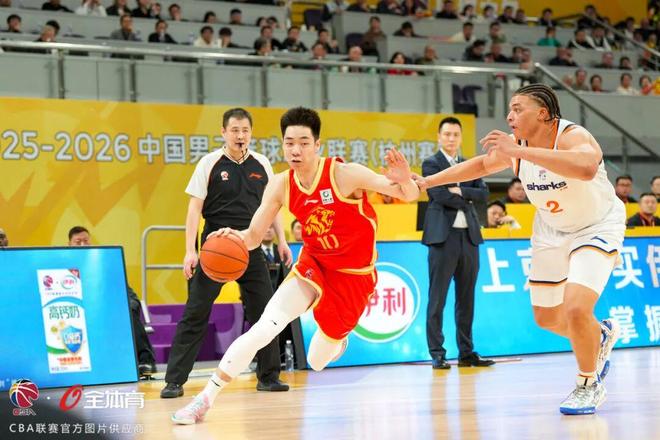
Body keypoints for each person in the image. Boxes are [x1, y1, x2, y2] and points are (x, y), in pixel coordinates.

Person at [171, 107, 419, 424]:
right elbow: (253, 237)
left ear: (317, 145)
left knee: (317, 360)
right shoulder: (280, 184)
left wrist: (404, 180)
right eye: (289, 143)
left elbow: (408, 194)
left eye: (303, 143)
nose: (295, 150)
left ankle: (338, 339)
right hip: (313, 264)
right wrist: (231, 236)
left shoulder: (345, 174)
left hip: (352, 276)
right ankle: (205, 399)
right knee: (265, 326)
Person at [414, 83, 623, 415]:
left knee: (576, 308)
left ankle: (588, 383)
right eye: (509, 110)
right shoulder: (518, 147)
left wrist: (520, 152)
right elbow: (480, 166)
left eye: (517, 109)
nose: (509, 116)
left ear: (542, 113)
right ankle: (598, 336)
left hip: (596, 225)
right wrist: (425, 182)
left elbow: (585, 167)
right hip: (551, 230)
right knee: (546, 318)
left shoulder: (572, 135)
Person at [160, 109, 293, 400]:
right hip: (216, 248)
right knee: (196, 313)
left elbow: (273, 206)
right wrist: (190, 251)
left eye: (245, 130)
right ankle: (174, 381)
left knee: (266, 314)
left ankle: (269, 377)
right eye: (234, 130)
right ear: (223, 132)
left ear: (251, 133)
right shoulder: (209, 163)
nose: (240, 136)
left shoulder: (262, 164)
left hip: (251, 246)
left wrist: (282, 241)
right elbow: (194, 210)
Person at [421, 117, 493, 370]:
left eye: (455, 134)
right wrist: (466, 197)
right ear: (439, 137)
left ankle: (466, 352)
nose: (451, 138)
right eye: (447, 134)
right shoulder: (431, 164)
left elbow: (484, 194)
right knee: (437, 298)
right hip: (443, 238)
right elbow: (438, 194)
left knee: (466, 298)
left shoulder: (469, 164)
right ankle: (437, 353)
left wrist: (460, 191)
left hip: (469, 238)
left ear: (461, 138)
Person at [67, 226, 157, 377]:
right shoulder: (63, 266)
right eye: (78, 242)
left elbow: (128, 294)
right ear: (69, 244)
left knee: (128, 309)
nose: (83, 244)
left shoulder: (103, 264)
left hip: (106, 309)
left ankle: (145, 360)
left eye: (86, 241)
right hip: (79, 311)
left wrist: (126, 306)